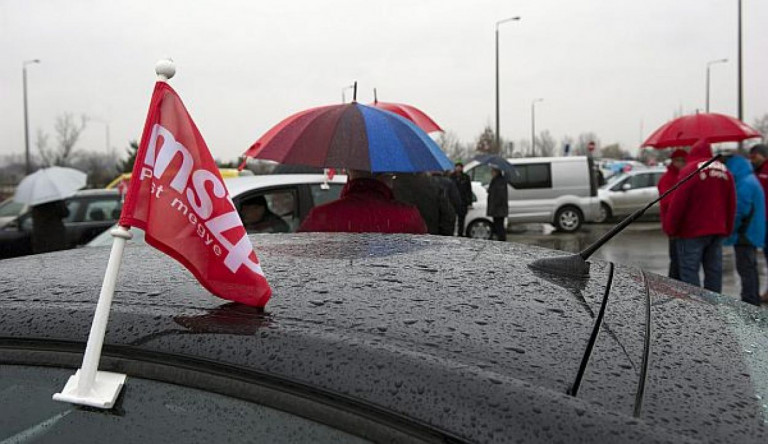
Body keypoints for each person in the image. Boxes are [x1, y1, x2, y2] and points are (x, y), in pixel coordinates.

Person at [666, 139, 736, 293]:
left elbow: (678, 204)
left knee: (689, 272)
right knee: (714, 271)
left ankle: (695, 310)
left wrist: (671, 229)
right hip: (718, 230)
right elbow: (731, 204)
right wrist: (728, 228)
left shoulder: (689, 170)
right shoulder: (725, 171)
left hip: (691, 231)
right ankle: (714, 308)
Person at [298, 169, 427, 234]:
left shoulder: (321, 216)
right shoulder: (408, 216)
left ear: (350, 174)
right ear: (384, 178)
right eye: (391, 176)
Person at [724, 155, 765, 306]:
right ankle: (752, 298)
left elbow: (740, 211)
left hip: (745, 234)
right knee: (750, 268)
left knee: (746, 269)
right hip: (753, 232)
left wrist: (730, 229)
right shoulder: (750, 179)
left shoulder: (744, 184)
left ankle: (749, 302)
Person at [657, 148, 687, 280]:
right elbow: (666, 201)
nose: (681, 164)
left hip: (686, 226)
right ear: (673, 161)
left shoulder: (688, 175)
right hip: (673, 225)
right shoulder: (667, 178)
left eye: (684, 161)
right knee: (676, 261)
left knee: (683, 261)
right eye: (678, 160)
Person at [748, 143, 768, 303]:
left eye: (755, 156)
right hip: (760, 220)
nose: (752, 159)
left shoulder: (765, 171)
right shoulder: (755, 171)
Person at [450, 162, 473, 236]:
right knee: (452, 219)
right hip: (453, 202)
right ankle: (452, 232)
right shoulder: (451, 177)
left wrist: (469, 202)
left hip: (463, 202)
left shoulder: (466, 177)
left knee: (461, 220)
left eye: (460, 167)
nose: (458, 168)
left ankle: (460, 234)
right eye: (457, 167)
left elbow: (469, 190)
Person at [487, 165, 509, 241]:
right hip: (496, 209)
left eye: (492, 171)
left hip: (499, 209)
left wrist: (495, 205)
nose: (491, 173)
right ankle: (500, 240)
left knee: (499, 226)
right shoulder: (495, 180)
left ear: (496, 172)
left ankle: (502, 241)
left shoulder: (500, 181)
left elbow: (500, 195)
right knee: (497, 226)